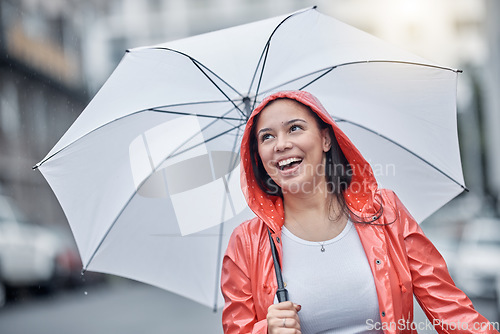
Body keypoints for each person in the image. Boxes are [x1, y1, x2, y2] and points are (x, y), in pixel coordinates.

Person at [220, 90, 499, 334]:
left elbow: (451, 310)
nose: (280, 144)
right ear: (257, 154)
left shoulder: (386, 212)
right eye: (266, 136)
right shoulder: (246, 242)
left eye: (294, 128)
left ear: (326, 139)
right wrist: (265, 331)